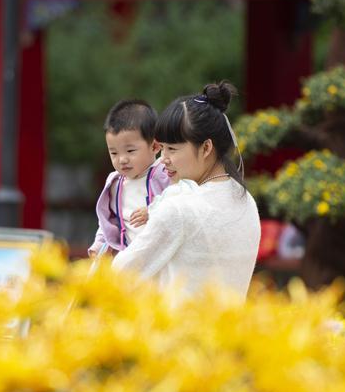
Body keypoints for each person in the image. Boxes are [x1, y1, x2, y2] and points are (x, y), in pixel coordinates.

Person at [112, 81, 261, 301]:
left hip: (177, 332)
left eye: (172, 149)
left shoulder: (180, 208)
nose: (163, 160)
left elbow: (119, 276)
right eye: (161, 148)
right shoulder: (246, 200)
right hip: (228, 332)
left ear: (206, 148)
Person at [88, 99, 171, 258]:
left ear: (155, 146)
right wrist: (99, 244)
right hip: (129, 257)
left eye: (130, 151)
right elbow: (109, 220)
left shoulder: (164, 173)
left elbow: (179, 201)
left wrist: (153, 210)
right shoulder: (115, 183)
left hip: (159, 257)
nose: (122, 159)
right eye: (114, 153)